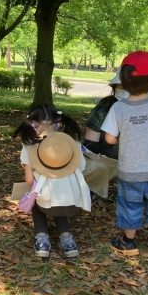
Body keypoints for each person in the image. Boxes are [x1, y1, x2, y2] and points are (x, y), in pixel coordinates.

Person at [101, 51, 148, 256]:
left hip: (129, 171)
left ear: (123, 81)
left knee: (129, 205)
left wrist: (124, 136)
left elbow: (109, 139)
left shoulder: (118, 108)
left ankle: (128, 242)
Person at [12, 105, 91, 259]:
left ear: (32, 124)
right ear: (59, 123)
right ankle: (67, 239)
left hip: (45, 203)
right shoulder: (73, 144)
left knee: (36, 194)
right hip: (71, 201)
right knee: (58, 193)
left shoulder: (29, 146)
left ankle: (42, 239)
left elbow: (29, 179)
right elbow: (80, 170)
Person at [83, 68, 127, 159]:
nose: (127, 90)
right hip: (108, 165)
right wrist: (113, 154)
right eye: (122, 86)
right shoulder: (102, 110)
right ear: (115, 87)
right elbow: (90, 145)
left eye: (131, 87)